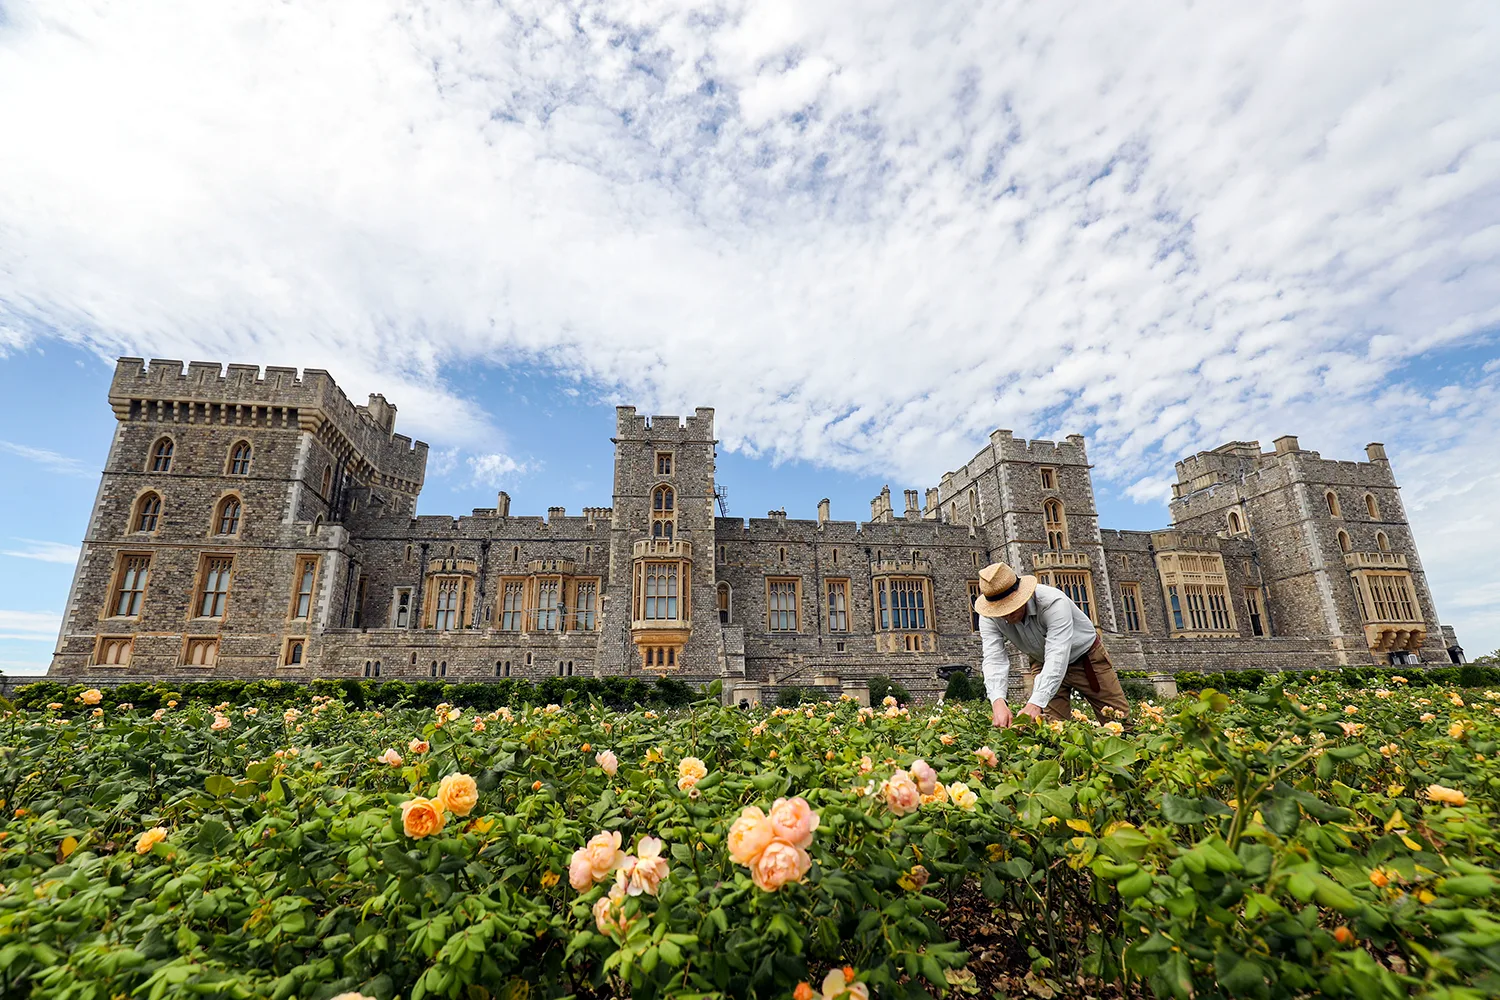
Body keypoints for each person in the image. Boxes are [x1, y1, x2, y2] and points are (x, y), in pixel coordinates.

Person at [972, 561, 1130, 727]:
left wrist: (1035, 704)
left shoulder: (1053, 602)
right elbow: (994, 658)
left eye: (1011, 607)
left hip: (1087, 660)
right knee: (1054, 731)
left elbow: (1057, 654)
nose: (1007, 616)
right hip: (1041, 662)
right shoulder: (989, 616)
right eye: (1001, 611)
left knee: (1120, 724)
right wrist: (998, 701)